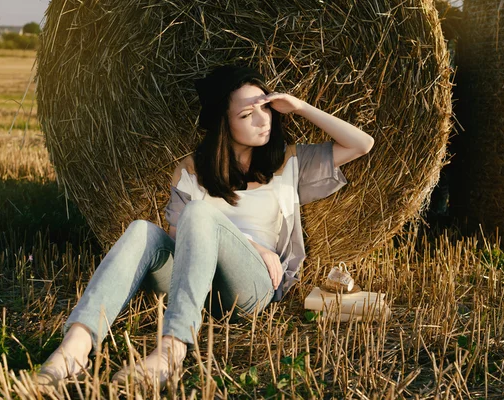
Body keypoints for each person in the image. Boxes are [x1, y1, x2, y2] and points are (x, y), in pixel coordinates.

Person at [32, 64, 374, 391]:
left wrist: (298, 106)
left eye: (265, 108)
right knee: (141, 229)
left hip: (252, 288)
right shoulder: (191, 171)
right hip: (194, 287)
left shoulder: (290, 162)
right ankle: (75, 347)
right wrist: (253, 244)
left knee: (199, 212)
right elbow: (183, 238)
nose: (262, 120)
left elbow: (362, 144)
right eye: (246, 115)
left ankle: (172, 351)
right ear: (223, 124)